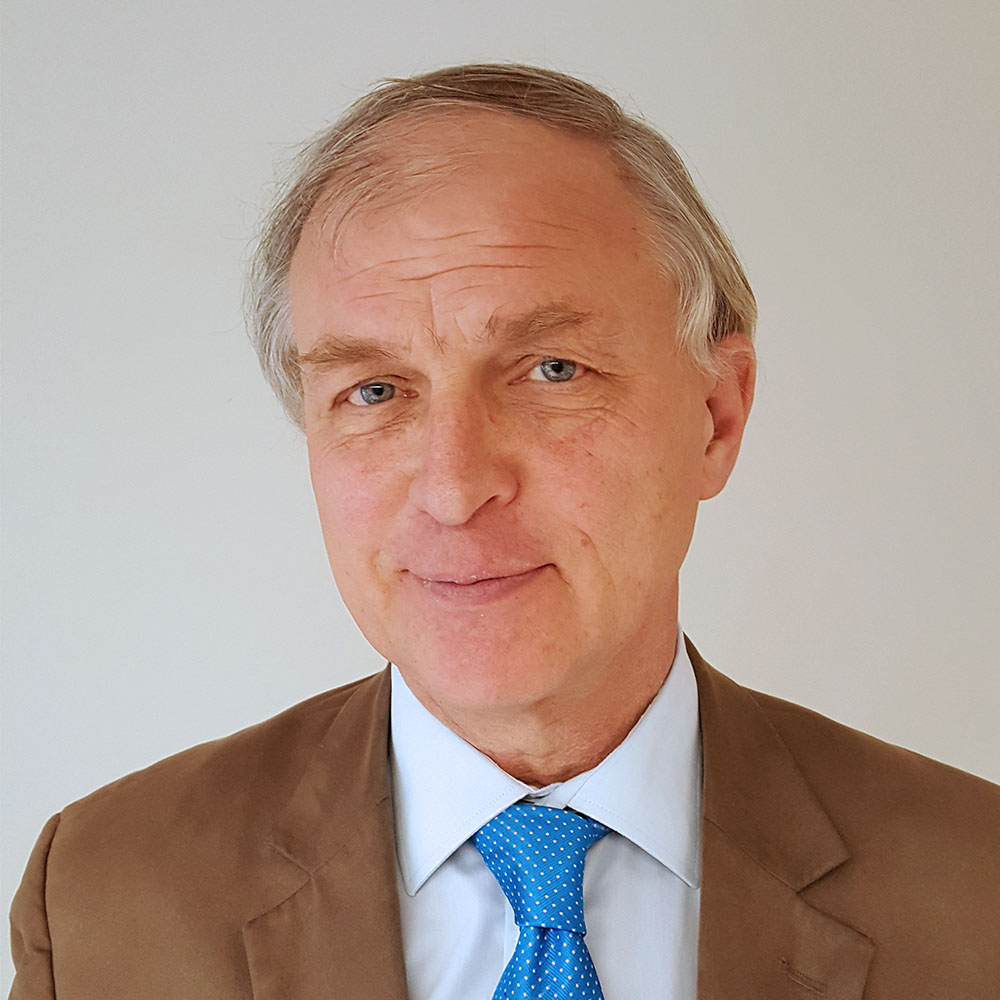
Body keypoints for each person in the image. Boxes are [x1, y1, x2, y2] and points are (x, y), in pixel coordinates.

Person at [9, 63, 999, 1000]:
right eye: (375, 390)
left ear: (714, 417)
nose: (452, 488)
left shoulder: (975, 890)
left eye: (552, 370)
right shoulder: (103, 899)